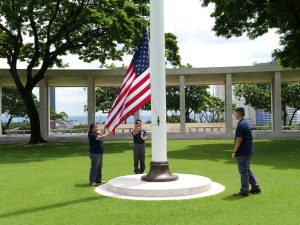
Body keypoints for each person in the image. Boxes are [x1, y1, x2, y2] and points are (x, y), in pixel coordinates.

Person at [232, 107, 261, 196]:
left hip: (242, 152)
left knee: (243, 171)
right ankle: (255, 187)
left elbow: (238, 139)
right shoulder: (246, 123)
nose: (234, 115)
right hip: (248, 150)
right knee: (247, 170)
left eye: (235, 113)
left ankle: (244, 191)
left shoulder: (241, 125)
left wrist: (234, 151)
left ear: (239, 114)